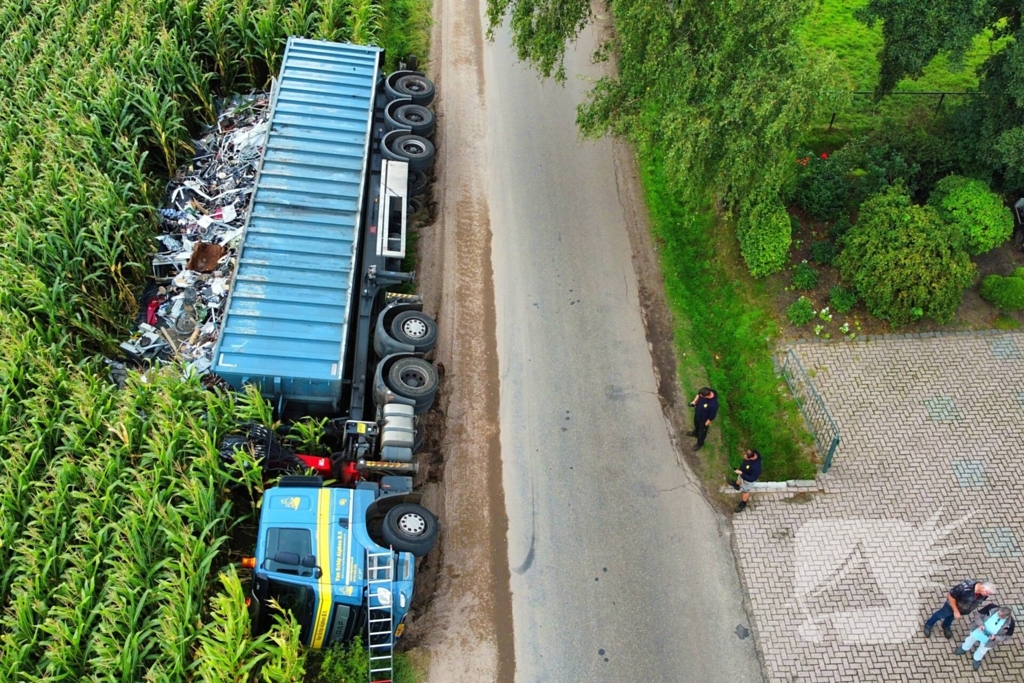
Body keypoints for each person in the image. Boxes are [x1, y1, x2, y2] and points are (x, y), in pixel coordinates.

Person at [924, 580, 995, 639]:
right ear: (982, 587)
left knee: (951, 617)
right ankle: (928, 624)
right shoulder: (964, 588)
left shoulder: (984, 594)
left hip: (963, 610)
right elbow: (950, 596)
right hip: (951, 606)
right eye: (987, 593)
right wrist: (956, 611)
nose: (987, 596)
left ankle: (946, 625)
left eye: (989, 594)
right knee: (940, 615)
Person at [955, 604, 1015, 671]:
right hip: (978, 629)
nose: (998, 615)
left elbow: (1008, 637)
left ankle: (976, 659)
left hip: (990, 640)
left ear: (1006, 617)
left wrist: (995, 638)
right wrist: (980, 625)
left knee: (982, 650)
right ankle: (964, 648)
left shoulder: (1011, 623)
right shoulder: (991, 607)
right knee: (970, 639)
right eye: (998, 613)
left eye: (1001, 616)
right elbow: (978, 615)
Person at [688, 387, 718, 452]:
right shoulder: (705, 390)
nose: (700, 396)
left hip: (704, 420)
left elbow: (712, 416)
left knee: (702, 433)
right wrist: (694, 402)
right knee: (696, 424)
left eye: (702, 396)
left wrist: (706, 424)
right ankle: (695, 433)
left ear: (707, 396)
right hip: (698, 414)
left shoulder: (713, 405)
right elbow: (698, 395)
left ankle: (699, 443)